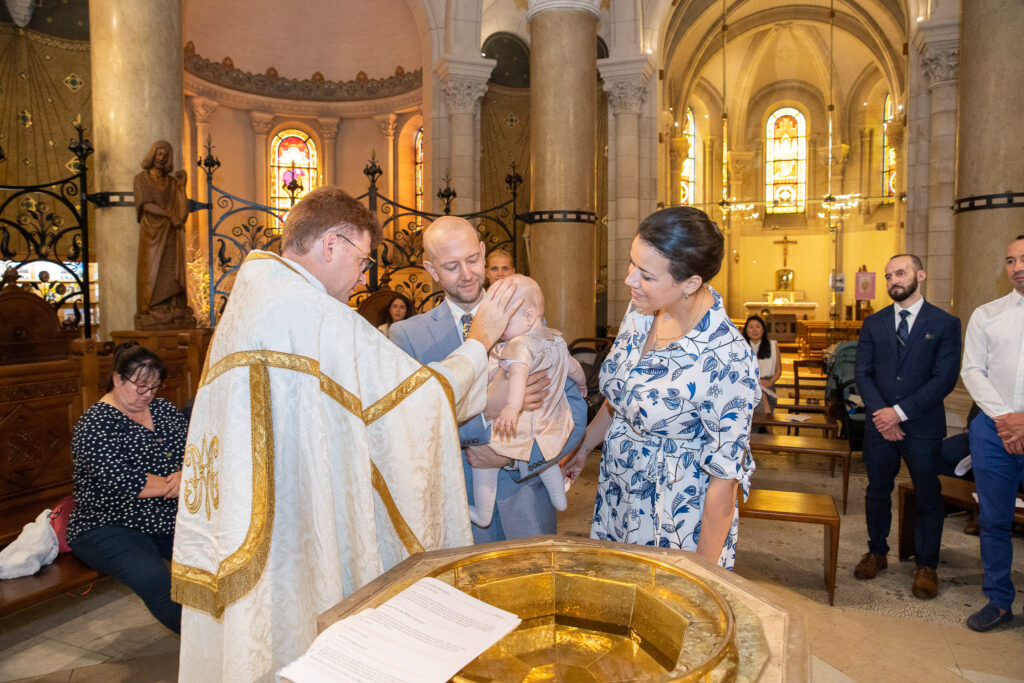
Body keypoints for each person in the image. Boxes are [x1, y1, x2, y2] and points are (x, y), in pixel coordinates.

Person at [171, 187, 520, 682]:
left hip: (256, 518)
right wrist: (481, 339)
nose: (364, 275)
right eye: (362, 259)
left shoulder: (259, 299)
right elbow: (417, 401)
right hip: (294, 533)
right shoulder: (311, 314)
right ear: (331, 244)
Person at [562, 206, 759, 569]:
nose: (629, 280)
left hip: (673, 515)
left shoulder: (727, 358)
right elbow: (624, 398)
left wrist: (702, 574)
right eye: (631, 263)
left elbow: (724, 480)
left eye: (646, 274)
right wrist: (584, 446)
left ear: (690, 283)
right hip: (619, 490)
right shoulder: (641, 310)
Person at [390, 216, 586, 543]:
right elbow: (406, 430)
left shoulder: (524, 317)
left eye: (472, 260)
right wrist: (485, 411)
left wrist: (513, 456)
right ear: (431, 269)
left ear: (483, 252)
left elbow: (574, 410)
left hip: (527, 508)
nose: (467, 275)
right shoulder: (409, 338)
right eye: (452, 266)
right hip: (456, 515)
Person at [853, 254, 961, 599]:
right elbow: (863, 374)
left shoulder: (944, 323)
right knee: (876, 491)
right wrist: (883, 414)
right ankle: (876, 551)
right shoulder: (874, 323)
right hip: (880, 426)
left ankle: (926, 564)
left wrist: (898, 412)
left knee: (928, 496)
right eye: (888, 276)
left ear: (921, 275)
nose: (892, 281)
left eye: (900, 273)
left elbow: (944, 379)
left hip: (922, 425)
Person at [66, 343, 185, 634]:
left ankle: (235, 634)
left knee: (216, 557)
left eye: (154, 387)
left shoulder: (164, 410)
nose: (147, 395)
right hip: (108, 525)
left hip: (165, 516)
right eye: (141, 386)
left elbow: (194, 451)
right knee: (156, 582)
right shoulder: (94, 424)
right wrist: (178, 482)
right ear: (118, 379)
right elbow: (123, 480)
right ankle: (206, 648)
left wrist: (187, 473)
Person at [469, 274, 588, 527]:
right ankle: (560, 498)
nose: (499, 329)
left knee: (487, 469)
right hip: (548, 426)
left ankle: (482, 513)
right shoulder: (554, 339)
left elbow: (521, 375)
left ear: (531, 316)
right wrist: (583, 381)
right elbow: (574, 366)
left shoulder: (519, 344)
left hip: (520, 443)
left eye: (505, 321)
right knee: (546, 452)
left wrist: (511, 407)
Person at [960, 235, 1024, 632]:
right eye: (1010, 260)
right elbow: (972, 372)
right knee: (995, 519)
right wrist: (1007, 419)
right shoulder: (987, 314)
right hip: (992, 429)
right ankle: (999, 601)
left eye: (1023, 259)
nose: (1017, 266)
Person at [133, 140, 195, 330]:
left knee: (171, 271)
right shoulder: (141, 179)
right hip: (152, 233)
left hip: (171, 235)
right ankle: (152, 309)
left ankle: (172, 308)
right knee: (152, 272)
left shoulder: (172, 182)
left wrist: (182, 187)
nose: (162, 158)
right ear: (153, 155)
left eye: (166, 155)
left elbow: (182, 214)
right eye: (159, 154)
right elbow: (145, 204)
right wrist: (169, 215)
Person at [742, 315, 780, 418]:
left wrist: (770, 382)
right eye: (751, 327)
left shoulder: (773, 345)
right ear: (746, 330)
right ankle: (768, 430)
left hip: (768, 386)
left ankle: (759, 429)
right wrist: (757, 382)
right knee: (759, 395)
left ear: (763, 330)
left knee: (760, 395)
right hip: (746, 385)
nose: (754, 330)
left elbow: (778, 371)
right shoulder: (740, 347)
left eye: (758, 327)